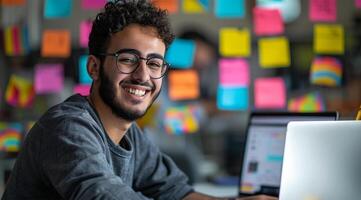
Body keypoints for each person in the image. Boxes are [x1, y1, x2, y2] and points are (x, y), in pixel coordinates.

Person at [2, 0, 277, 199]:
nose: (143, 75)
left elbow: (177, 192)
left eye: (155, 63)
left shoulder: (132, 136)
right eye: (128, 59)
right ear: (94, 68)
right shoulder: (68, 128)